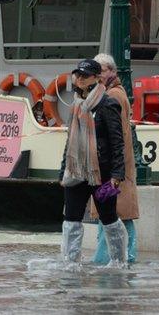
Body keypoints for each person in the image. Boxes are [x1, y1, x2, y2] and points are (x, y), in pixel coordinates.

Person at [59, 58, 127, 268]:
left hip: (103, 173)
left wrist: (117, 174)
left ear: (96, 78)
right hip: (77, 171)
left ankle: (118, 262)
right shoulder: (76, 105)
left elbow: (117, 141)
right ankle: (71, 263)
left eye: (84, 75)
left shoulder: (108, 104)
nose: (79, 78)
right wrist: (63, 170)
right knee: (71, 218)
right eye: (78, 74)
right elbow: (70, 140)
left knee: (108, 218)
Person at [89, 53, 139, 265]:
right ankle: (122, 258)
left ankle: (104, 261)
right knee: (115, 214)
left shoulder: (112, 97)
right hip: (118, 169)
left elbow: (115, 137)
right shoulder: (117, 93)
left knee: (110, 215)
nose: (97, 76)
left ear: (112, 71)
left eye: (100, 71)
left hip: (113, 170)